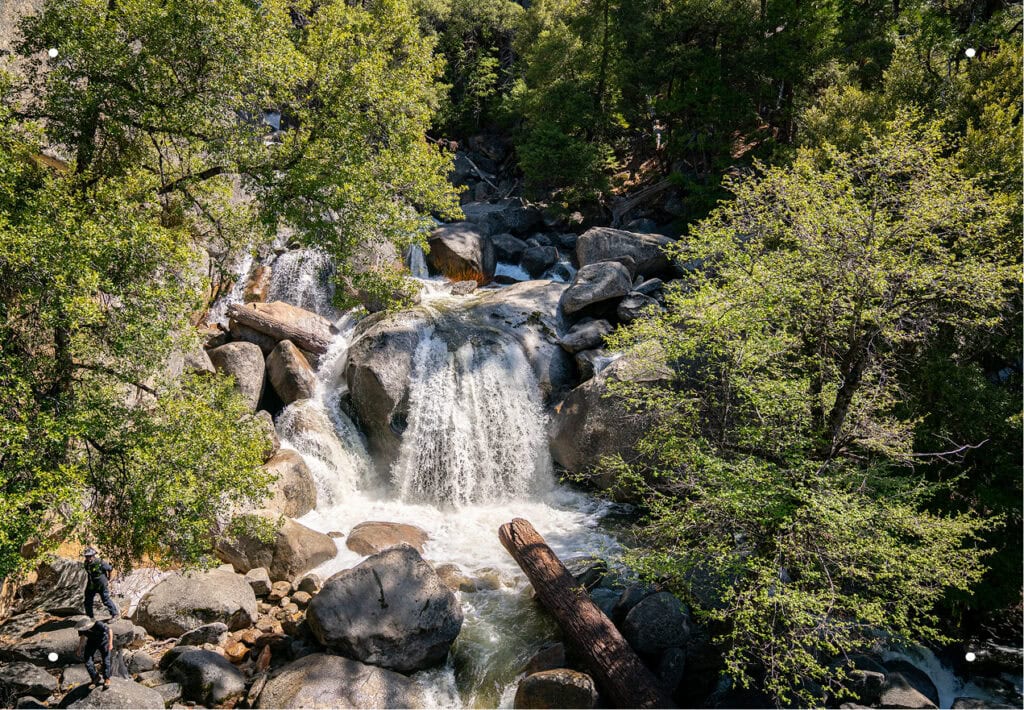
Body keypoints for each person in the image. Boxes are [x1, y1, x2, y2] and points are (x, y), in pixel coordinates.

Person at [82, 547, 119, 619]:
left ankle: (115, 614)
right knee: (88, 600)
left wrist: (109, 578)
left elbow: (110, 569)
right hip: (92, 584)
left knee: (105, 599)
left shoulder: (100, 562)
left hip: (101, 583)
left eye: (90, 556)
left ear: (93, 555)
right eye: (86, 556)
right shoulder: (86, 563)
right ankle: (90, 617)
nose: (88, 558)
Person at [75, 618, 113, 689]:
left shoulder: (98, 624)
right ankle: (95, 677)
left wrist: (110, 643)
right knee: (87, 661)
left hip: (103, 641)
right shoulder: (81, 628)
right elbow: (82, 637)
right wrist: (79, 648)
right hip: (91, 642)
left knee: (106, 660)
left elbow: (110, 630)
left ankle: (107, 679)